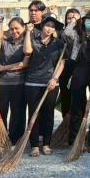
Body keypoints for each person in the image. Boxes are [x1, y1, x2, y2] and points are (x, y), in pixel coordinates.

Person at [62, 9, 90, 153]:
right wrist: (74, 20)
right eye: (89, 19)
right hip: (79, 69)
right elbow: (65, 34)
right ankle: (76, 140)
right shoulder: (77, 34)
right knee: (77, 105)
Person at [23, 13, 65, 156]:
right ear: (42, 26)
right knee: (34, 113)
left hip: (50, 83)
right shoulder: (32, 40)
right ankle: (34, 145)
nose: (49, 29)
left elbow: (61, 63)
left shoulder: (58, 44)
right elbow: (27, 51)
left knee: (48, 114)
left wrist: (55, 79)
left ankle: (46, 143)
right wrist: (28, 32)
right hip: (32, 82)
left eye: (52, 27)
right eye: (47, 25)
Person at [0, 15, 29, 145]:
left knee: (17, 113)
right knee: (0, 111)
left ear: (23, 28)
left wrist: (4, 67)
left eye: (17, 28)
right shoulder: (4, 42)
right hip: (2, 83)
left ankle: (15, 140)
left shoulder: (26, 43)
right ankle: (0, 138)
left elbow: (24, 63)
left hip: (19, 83)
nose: (14, 31)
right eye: (12, 29)